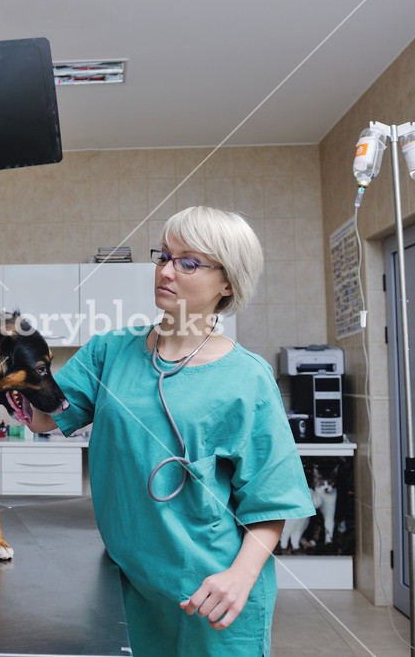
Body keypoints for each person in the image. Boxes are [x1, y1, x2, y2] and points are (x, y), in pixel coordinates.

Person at [27, 206, 315, 656]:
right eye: (163, 256)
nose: (165, 271)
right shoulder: (109, 351)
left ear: (227, 283)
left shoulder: (248, 377)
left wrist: (239, 578)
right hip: (130, 585)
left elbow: (271, 501)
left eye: (189, 262)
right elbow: (44, 417)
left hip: (213, 592)